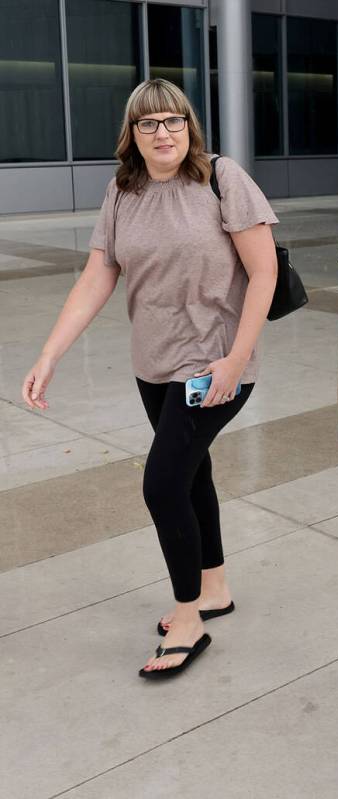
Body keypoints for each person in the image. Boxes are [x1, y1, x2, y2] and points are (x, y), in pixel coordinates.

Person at [21, 79, 279, 678]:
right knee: (191, 476)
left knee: (162, 486)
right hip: (153, 366)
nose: (163, 133)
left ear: (189, 126)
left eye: (173, 121)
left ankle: (188, 617)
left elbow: (263, 275)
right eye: (148, 123)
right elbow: (97, 276)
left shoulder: (222, 178)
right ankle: (214, 588)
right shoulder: (123, 190)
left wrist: (237, 361)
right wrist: (50, 353)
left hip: (216, 366)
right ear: (131, 134)